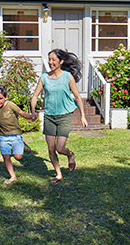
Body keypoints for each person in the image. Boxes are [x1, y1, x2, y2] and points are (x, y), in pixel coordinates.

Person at [31, 49, 88, 183]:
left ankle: (70, 154)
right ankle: (58, 174)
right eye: (49, 59)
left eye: (53, 60)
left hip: (64, 115)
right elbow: (34, 96)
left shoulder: (67, 76)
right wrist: (33, 111)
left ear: (61, 61)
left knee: (60, 147)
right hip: (49, 116)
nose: (50, 62)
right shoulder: (44, 77)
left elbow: (78, 97)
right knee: (51, 149)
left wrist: (83, 116)